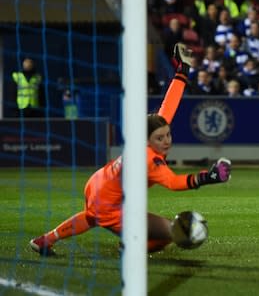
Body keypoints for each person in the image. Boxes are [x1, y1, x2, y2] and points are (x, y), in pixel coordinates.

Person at [29, 43, 232, 256]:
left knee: (92, 216)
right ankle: (131, 249)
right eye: (160, 138)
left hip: (98, 184)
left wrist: (182, 72)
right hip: (109, 201)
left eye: (168, 135)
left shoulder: (148, 135)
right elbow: (173, 183)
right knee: (172, 233)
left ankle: (45, 240)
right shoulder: (149, 159)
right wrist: (209, 177)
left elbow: (169, 105)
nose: (166, 141)